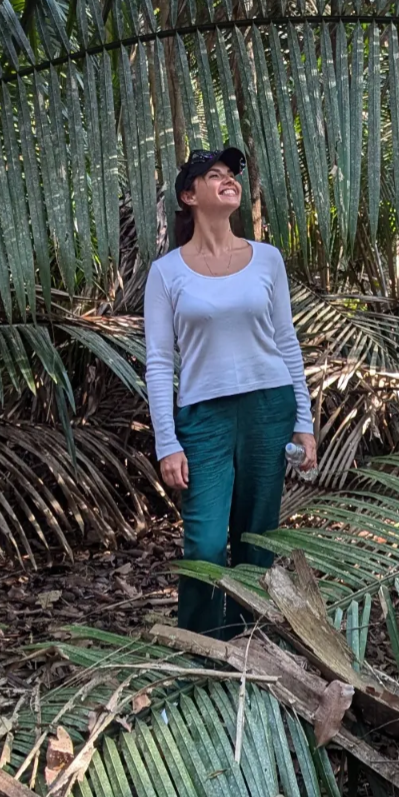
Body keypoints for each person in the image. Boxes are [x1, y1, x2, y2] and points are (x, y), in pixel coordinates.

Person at [144, 146, 317, 637]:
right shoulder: (167, 272)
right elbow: (159, 361)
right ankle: (201, 649)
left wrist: (303, 421)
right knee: (203, 544)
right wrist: (167, 442)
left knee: (256, 540)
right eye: (214, 174)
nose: (228, 180)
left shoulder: (267, 259)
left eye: (232, 174)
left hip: (269, 407)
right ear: (188, 195)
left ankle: (249, 645)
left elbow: (286, 340)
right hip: (204, 418)